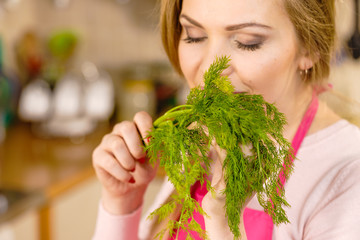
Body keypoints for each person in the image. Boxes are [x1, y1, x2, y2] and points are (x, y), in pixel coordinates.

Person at [92, 0, 360, 239]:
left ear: (310, 48)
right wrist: (122, 205)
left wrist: (223, 222)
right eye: (194, 36)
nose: (210, 67)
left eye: (248, 41)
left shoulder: (348, 176)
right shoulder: (202, 137)